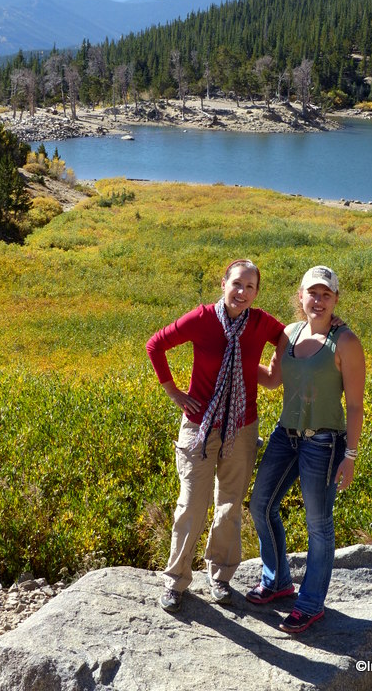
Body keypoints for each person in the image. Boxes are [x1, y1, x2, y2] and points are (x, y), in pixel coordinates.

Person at [146, 259, 284, 613]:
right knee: (192, 504)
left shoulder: (261, 323)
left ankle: (220, 577)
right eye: (237, 283)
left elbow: (289, 338)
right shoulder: (202, 318)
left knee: (229, 506)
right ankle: (176, 580)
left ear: (257, 292)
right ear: (223, 284)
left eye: (250, 287)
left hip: (242, 426)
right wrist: (173, 391)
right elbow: (155, 345)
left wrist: (272, 373)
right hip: (200, 426)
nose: (242, 292)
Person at [247, 265, 365, 634]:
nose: (318, 300)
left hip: (324, 442)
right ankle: (278, 581)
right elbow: (272, 380)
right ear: (301, 296)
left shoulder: (345, 342)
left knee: (318, 523)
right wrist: (238, 358)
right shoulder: (289, 333)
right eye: (312, 293)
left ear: (335, 299)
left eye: (326, 294)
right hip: (286, 435)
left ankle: (311, 603)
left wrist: (350, 456)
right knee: (260, 505)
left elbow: (356, 406)